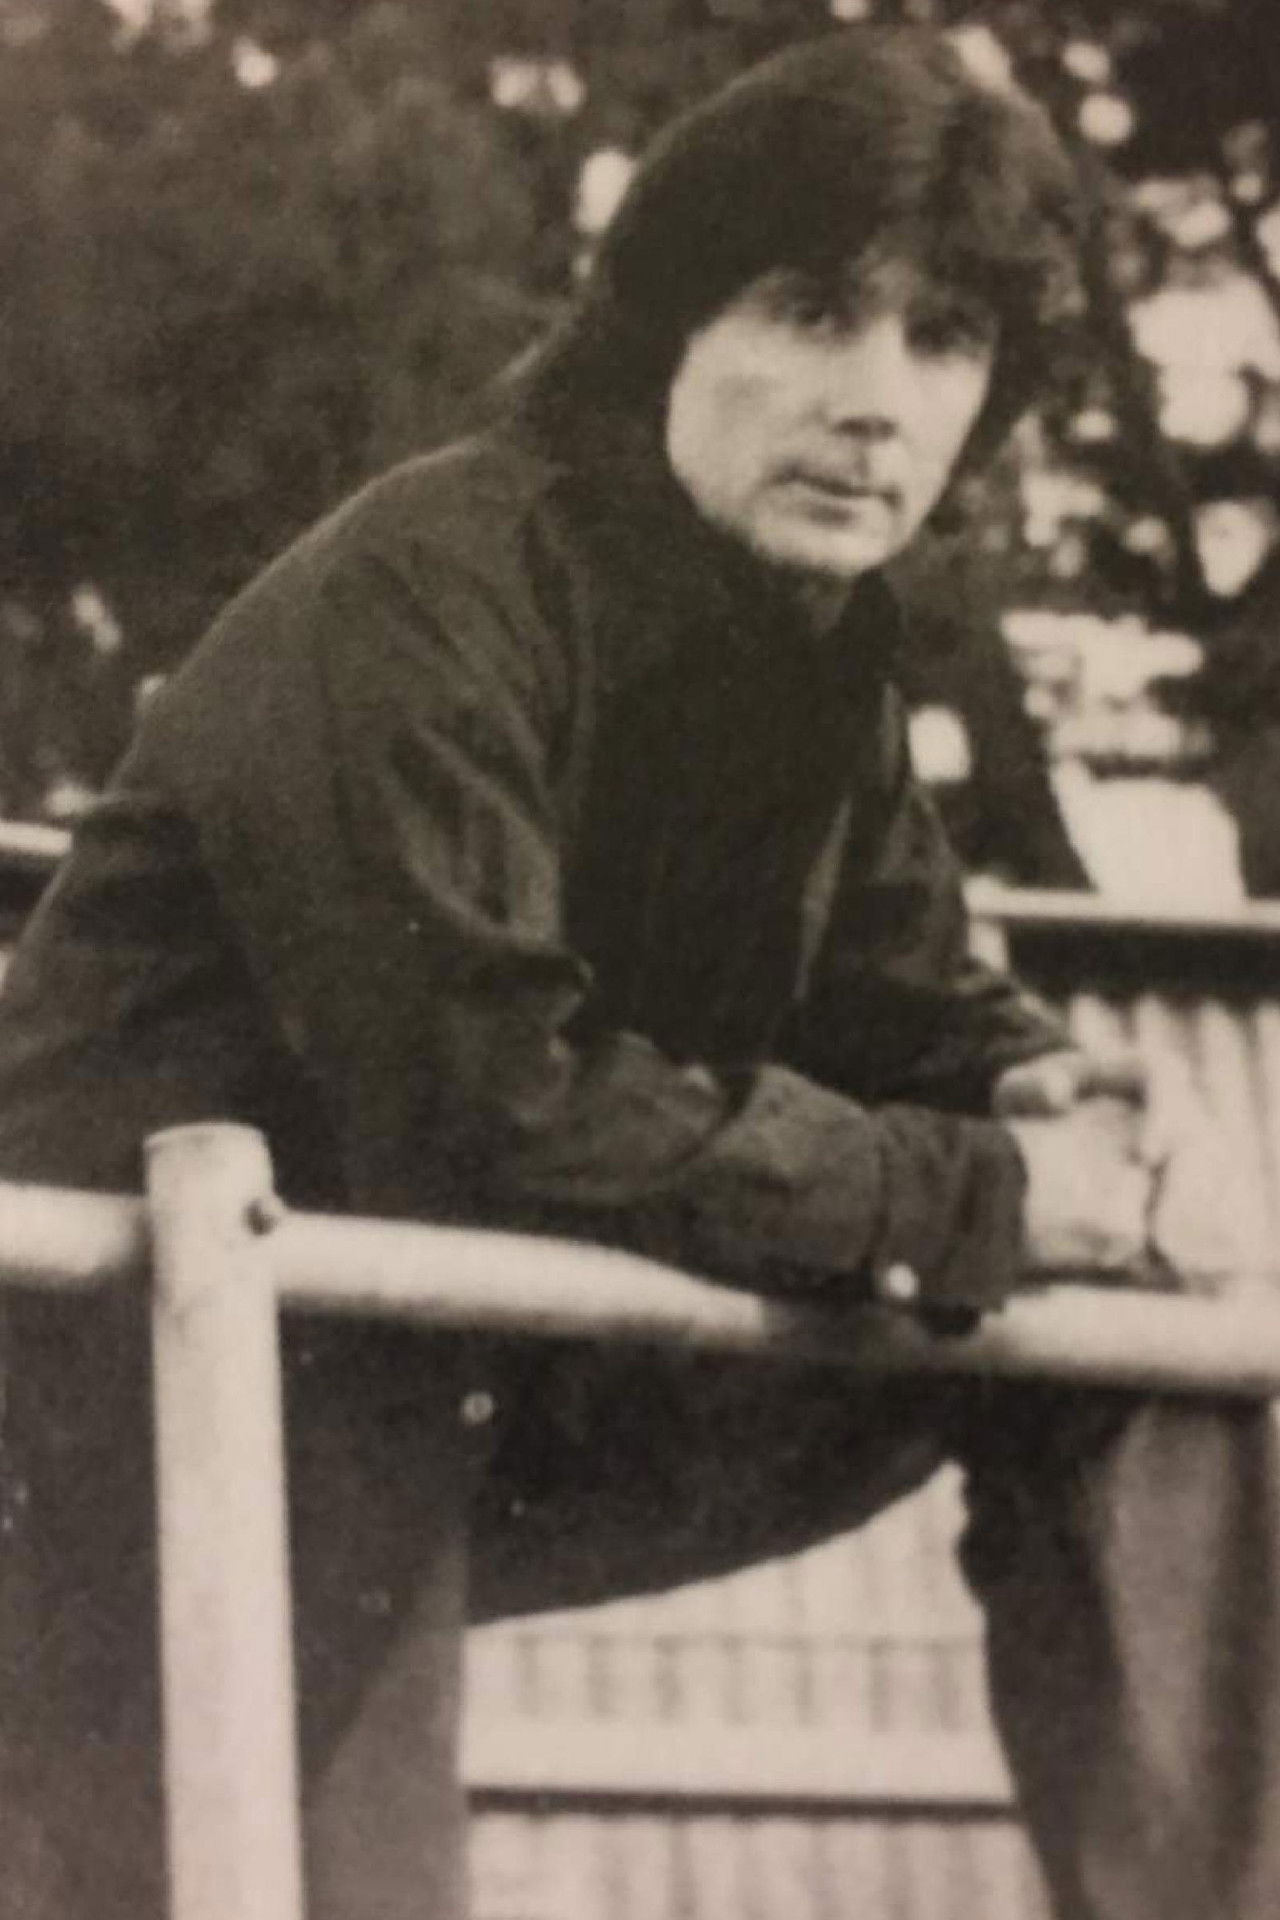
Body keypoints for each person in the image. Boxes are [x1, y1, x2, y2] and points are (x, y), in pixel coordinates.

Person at [0, 24, 1273, 1920]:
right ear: (668, 318)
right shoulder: (429, 587)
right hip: (129, 1400)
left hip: (469, 1375)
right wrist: (985, 1191)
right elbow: (484, 1108)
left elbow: (915, 1000)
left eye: (943, 342)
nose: (876, 402)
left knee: (1152, 1341)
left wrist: (1040, 1102)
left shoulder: (815, 655)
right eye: (816, 312)